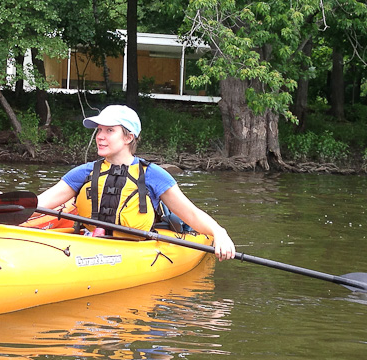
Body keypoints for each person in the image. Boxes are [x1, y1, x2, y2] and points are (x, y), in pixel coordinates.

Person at [37, 104, 236, 261]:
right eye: (99, 131)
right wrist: (7, 206)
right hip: (91, 245)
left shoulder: (153, 175)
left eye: (109, 130)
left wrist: (219, 232)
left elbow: (191, 213)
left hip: (136, 248)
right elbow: (40, 203)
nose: (100, 137)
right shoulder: (84, 172)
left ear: (128, 137)